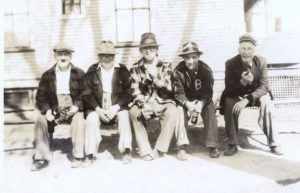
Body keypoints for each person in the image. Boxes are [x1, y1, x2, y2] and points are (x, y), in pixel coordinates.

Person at [129, 32, 189, 161]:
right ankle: (145, 151)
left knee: (173, 110)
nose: (148, 50)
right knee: (134, 112)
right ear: (141, 50)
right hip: (144, 103)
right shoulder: (135, 68)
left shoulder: (166, 66)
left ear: (157, 49)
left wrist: (154, 78)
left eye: (152, 47)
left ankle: (159, 149)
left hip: (162, 101)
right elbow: (135, 91)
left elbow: (169, 88)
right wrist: (143, 106)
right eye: (145, 48)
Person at [220, 34, 282, 156]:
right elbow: (229, 89)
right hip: (237, 95)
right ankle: (232, 143)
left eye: (249, 49)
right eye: (243, 48)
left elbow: (264, 87)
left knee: (267, 102)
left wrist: (247, 100)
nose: (246, 52)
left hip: (256, 95)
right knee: (229, 102)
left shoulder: (261, 62)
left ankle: (274, 143)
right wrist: (242, 82)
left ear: (255, 51)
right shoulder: (230, 63)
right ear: (238, 50)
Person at [31, 42, 86, 171]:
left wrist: (77, 106)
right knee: (40, 120)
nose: (63, 57)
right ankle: (41, 158)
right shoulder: (47, 75)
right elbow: (41, 96)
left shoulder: (79, 73)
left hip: (73, 105)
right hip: (54, 106)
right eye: (60, 54)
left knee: (79, 120)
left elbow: (86, 93)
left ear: (70, 56)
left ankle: (78, 156)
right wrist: (47, 110)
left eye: (66, 54)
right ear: (55, 56)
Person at [81, 41, 133, 164]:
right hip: (97, 108)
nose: (107, 58)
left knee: (124, 116)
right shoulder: (92, 71)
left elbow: (128, 93)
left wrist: (116, 107)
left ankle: (126, 151)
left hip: (116, 107)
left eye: (110, 55)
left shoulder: (122, 71)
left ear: (114, 56)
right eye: (103, 55)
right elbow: (86, 94)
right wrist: (97, 109)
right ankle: (90, 154)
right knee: (91, 120)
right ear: (99, 56)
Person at [172, 41, 220, 158]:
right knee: (179, 110)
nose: (191, 61)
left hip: (201, 100)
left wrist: (202, 103)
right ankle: (181, 146)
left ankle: (212, 146)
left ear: (198, 57)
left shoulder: (206, 70)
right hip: (186, 101)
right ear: (183, 58)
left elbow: (208, 92)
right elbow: (178, 93)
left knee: (210, 108)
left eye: (194, 57)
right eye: (187, 58)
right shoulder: (178, 71)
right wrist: (187, 104)